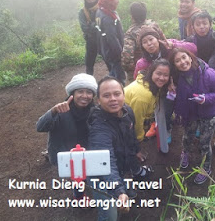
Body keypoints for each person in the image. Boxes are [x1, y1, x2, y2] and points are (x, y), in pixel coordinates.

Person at [87, 76, 152, 221]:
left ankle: (123, 188)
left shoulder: (127, 111)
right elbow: (106, 162)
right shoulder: (99, 128)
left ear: (123, 94)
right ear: (98, 100)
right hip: (100, 174)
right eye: (106, 95)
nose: (113, 99)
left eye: (117, 94)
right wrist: (119, 191)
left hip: (119, 167)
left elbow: (131, 136)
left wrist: (136, 150)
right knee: (109, 215)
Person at [169, 48, 215, 184]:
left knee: (205, 142)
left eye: (184, 57)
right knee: (187, 135)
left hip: (209, 113)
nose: (182, 62)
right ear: (174, 65)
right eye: (177, 61)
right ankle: (186, 153)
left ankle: (205, 168)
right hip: (191, 112)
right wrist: (171, 90)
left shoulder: (210, 74)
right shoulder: (177, 77)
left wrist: (206, 98)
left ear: (190, 57)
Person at [36, 73, 97, 165]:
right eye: (80, 91)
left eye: (89, 92)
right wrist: (53, 111)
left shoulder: (96, 112)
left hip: (88, 157)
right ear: (72, 94)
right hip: (63, 160)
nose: (85, 96)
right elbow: (40, 127)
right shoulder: (60, 110)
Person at [124, 59, 170, 141]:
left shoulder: (151, 84)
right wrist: (140, 138)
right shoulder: (143, 96)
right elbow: (137, 120)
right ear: (151, 72)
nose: (162, 78)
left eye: (166, 75)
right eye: (158, 73)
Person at [96, 0, 126, 84]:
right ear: (109, 0)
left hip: (105, 50)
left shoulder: (100, 11)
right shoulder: (108, 17)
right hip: (113, 53)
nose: (118, 1)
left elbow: (98, 31)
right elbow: (112, 38)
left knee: (113, 72)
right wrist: (121, 54)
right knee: (119, 78)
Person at [121, 2, 152, 81]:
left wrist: (131, 69)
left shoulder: (131, 33)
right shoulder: (153, 25)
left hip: (139, 71)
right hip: (156, 65)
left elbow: (126, 57)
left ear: (132, 16)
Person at [78, 0, 100, 75]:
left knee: (110, 62)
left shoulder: (103, 8)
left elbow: (106, 25)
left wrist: (91, 25)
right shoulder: (82, 12)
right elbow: (84, 28)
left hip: (104, 40)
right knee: (89, 65)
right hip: (91, 41)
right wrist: (96, 25)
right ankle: (89, 86)